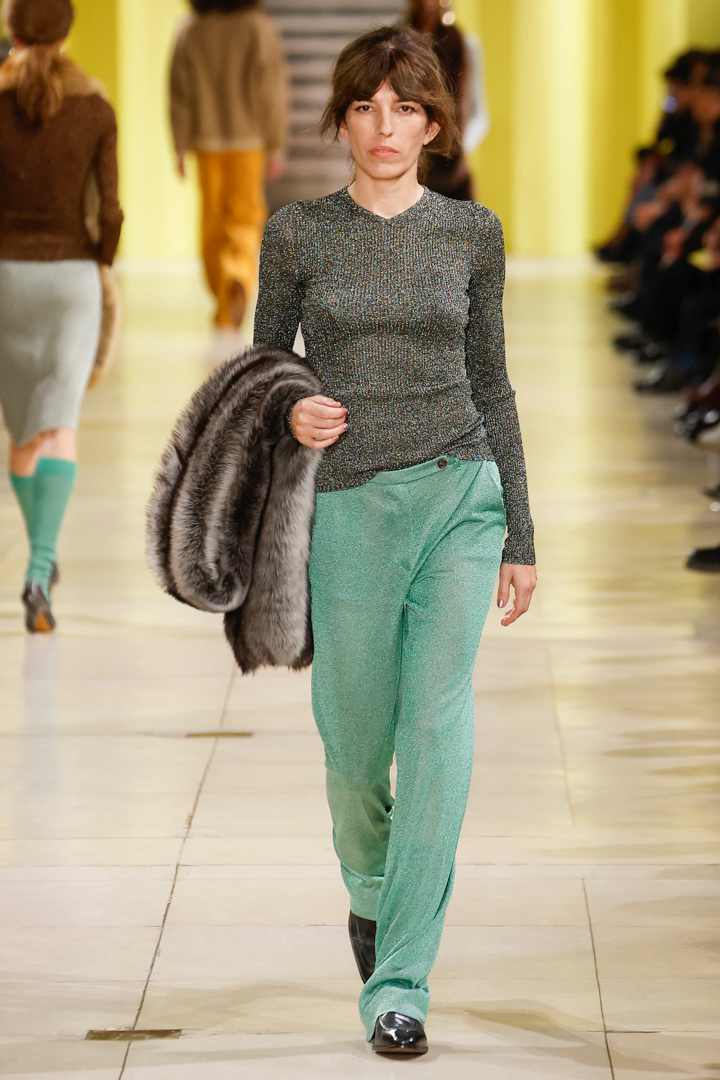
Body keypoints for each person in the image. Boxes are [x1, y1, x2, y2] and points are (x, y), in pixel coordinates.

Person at [252, 23, 537, 1055]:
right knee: (353, 742)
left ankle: (401, 981)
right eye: (367, 107)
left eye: (406, 108)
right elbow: (263, 368)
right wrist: (292, 409)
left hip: (460, 495)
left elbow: (494, 382)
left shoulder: (472, 233)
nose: (385, 126)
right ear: (341, 119)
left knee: (438, 733)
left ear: (432, 124)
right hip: (348, 507)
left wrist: (520, 532)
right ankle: (372, 888)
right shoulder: (299, 234)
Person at [0, 0, 123, 633]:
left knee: (24, 435)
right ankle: (39, 569)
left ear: (12, 32)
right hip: (71, 279)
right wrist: (101, 260)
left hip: (7, 278)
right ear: (69, 32)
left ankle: (41, 555)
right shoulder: (96, 110)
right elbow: (112, 209)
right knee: (61, 425)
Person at [168, 0, 290, 334]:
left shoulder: (191, 30)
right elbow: (270, 89)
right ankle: (236, 274)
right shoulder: (257, 28)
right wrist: (275, 142)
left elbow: (179, 92)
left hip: (206, 140)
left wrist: (180, 144)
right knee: (245, 216)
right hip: (248, 140)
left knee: (212, 219)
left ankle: (221, 291)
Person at [402, 0, 475, 199]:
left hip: (447, 147)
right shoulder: (401, 38)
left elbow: (463, 99)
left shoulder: (453, 39)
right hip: (410, 147)